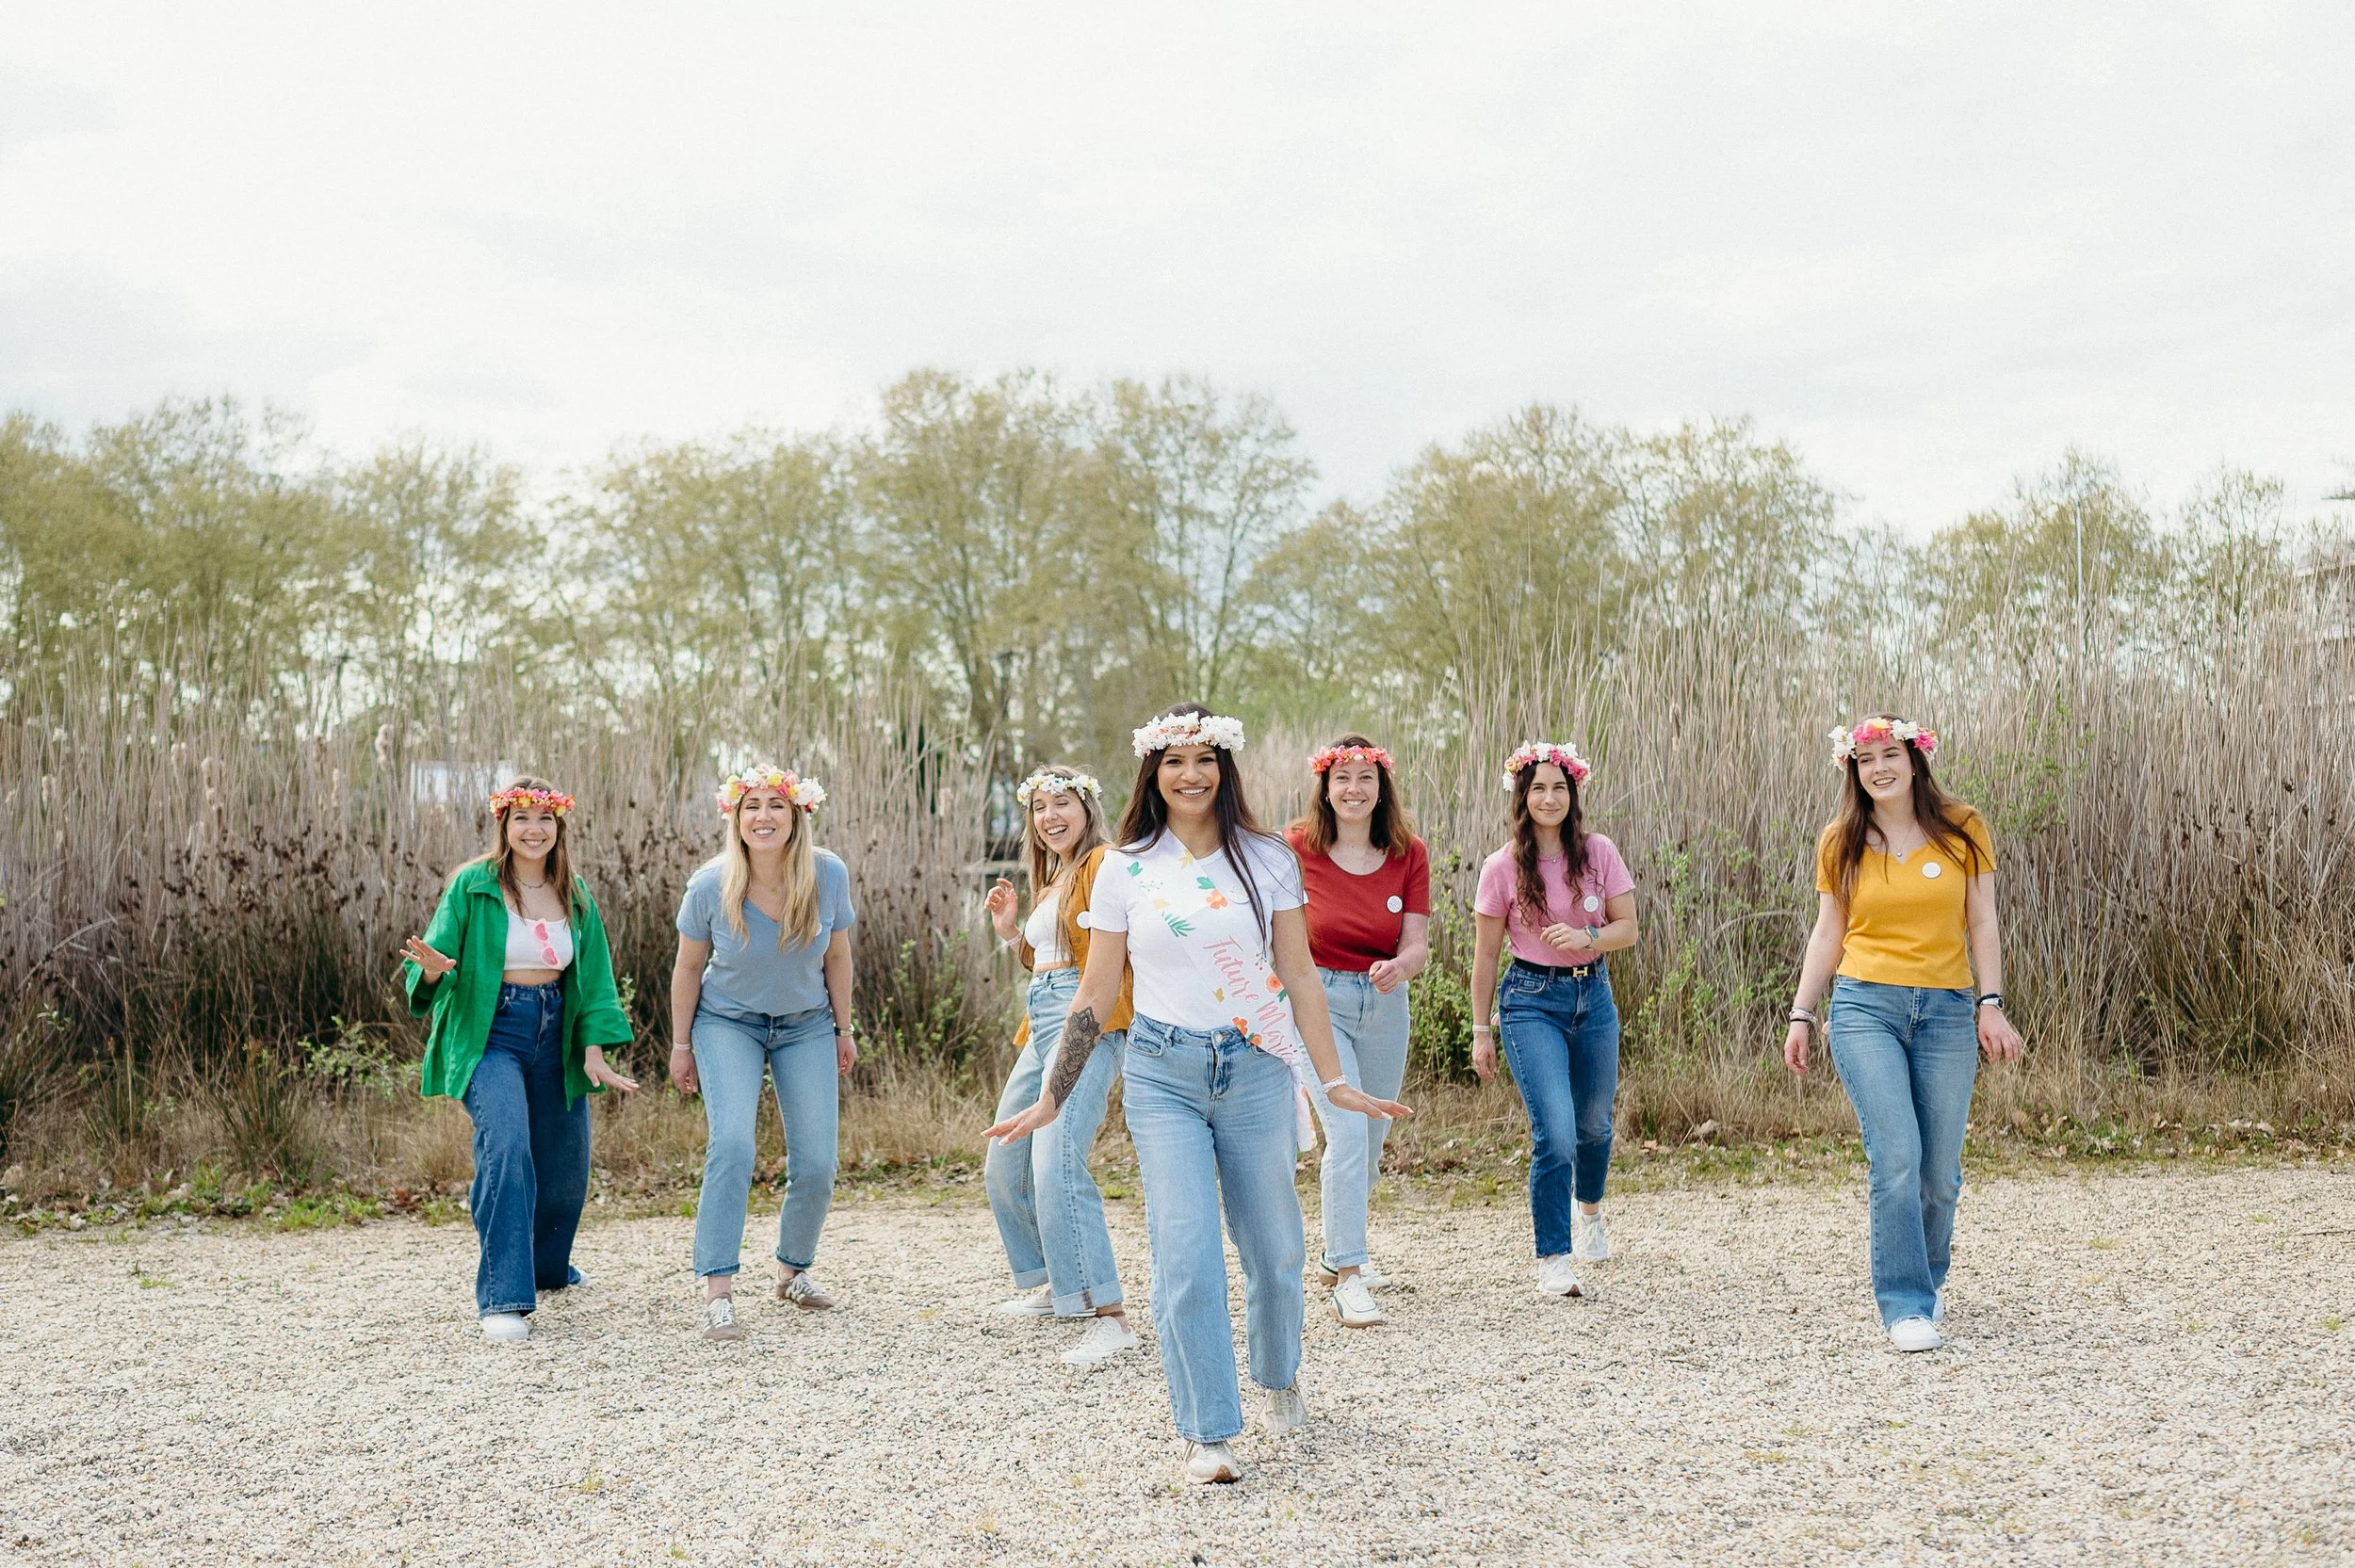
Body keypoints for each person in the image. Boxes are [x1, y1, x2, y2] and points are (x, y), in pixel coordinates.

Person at [987, 703, 1412, 1487]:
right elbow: (1095, 989)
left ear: (1225, 769)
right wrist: (1055, 1093)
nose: (1191, 774)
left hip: (1252, 1069)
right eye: (1175, 760)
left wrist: (1335, 1081)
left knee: (1279, 1253)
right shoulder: (1123, 866)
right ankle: (1209, 1431)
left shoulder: (1267, 858)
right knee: (1185, 1257)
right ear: (1154, 771)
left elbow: (1301, 977)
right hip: (1161, 1073)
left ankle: (1280, 1375)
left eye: (1205, 758)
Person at [1781, 716, 2022, 1352]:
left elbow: (1984, 923)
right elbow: (1828, 932)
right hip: (1864, 1008)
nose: (1879, 767)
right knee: (1897, 1156)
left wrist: (1990, 1003)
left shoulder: (1964, 828)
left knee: (1940, 1173)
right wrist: (1802, 1012)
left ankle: (1929, 1278)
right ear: (1853, 771)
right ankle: (1905, 1302)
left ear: (1916, 760)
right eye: (1865, 759)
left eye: (1891, 753)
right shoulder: (1841, 839)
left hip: (1946, 1008)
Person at [401, 777, 641, 1345]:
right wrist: (434, 969)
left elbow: (594, 978)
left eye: (545, 820)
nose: (534, 830)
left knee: (564, 1166)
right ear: (503, 827)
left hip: (554, 1029)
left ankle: (550, 1269)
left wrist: (593, 1050)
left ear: (559, 829)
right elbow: (428, 966)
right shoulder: (472, 885)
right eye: (522, 819)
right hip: (490, 1031)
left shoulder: (573, 892)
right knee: (506, 1145)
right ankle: (504, 1297)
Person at [668, 765, 857, 1342]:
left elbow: (838, 958)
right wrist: (680, 1045)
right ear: (736, 816)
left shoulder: (827, 874)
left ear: (797, 814)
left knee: (818, 1161)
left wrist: (844, 1029)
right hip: (727, 1023)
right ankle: (718, 1290)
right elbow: (688, 968)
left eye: (776, 805)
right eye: (752, 805)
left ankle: (792, 1270)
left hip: (806, 1026)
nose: (764, 816)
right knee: (732, 1144)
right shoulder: (709, 884)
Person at [981, 765, 1140, 1366]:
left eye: (1063, 803)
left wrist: (1084, 1017)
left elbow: (1095, 968)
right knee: (1005, 1163)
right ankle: (1055, 1282)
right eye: (1041, 806)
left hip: (1085, 1021)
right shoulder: (1056, 878)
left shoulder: (1103, 866)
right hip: (1040, 1020)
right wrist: (1009, 933)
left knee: (1059, 1164)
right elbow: (1044, 961)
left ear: (1088, 808)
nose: (1051, 815)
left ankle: (1109, 1315)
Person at [1468, 742, 1638, 1302]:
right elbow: (1486, 957)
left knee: (1595, 1127)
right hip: (1529, 1001)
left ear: (1574, 794)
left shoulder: (1598, 852)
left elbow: (1628, 929)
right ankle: (1554, 1258)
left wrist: (1588, 937)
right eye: (1538, 788)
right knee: (1556, 1132)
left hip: (1594, 996)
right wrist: (1480, 1030)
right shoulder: (1500, 868)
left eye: (1559, 788)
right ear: (1522, 796)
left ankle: (1589, 1211)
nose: (1549, 797)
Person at [1283, 735, 1430, 1328]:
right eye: (1341, 778)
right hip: (1318, 1002)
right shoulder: (1295, 849)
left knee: (1367, 1147)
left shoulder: (1407, 852)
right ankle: (1349, 1273)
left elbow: (1417, 941)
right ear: (1325, 787)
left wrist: (1401, 966)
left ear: (1381, 788)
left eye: (1364, 778)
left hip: (1385, 1004)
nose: (1353, 789)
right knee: (1345, 1131)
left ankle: (1333, 1248)